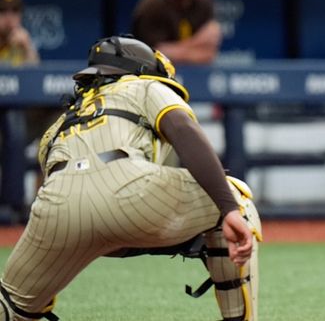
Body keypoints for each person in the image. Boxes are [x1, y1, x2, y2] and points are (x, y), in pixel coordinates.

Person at [0, 36, 261, 321]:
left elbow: (84, 202)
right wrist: (227, 209)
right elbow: (183, 130)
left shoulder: (61, 123)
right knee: (236, 198)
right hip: (127, 187)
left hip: (55, 206)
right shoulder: (144, 84)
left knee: (12, 304)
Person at [0, 0, 40, 219]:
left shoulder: (21, 42)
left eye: (14, 11)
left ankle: (34, 207)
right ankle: (10, 205)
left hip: (21, 124)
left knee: (58, 118)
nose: (9, 17)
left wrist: (27, 50)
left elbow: (38, 85)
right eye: (2, 11)